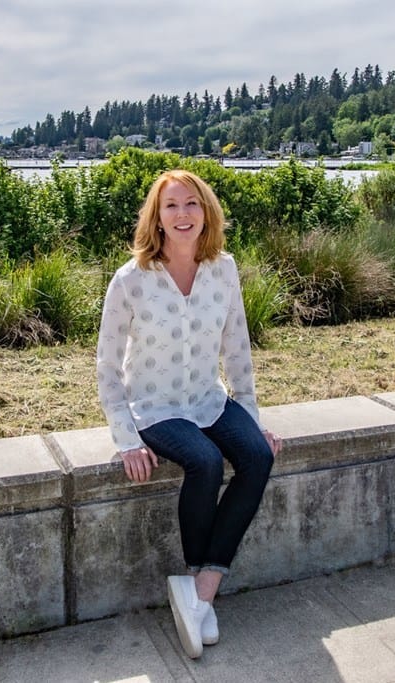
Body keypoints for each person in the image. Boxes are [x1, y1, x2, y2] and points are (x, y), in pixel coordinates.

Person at [96, 169, 281, 659]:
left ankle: (202, 589)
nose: (183, 215)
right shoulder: (131, 279)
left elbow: (238, 349)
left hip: (208, 398)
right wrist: (126, 438)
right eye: (171, 206)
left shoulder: (224, 268)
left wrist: (253, 417)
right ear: (156, 217)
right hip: (154, 408)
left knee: (258, 456)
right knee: (203, 461)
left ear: (207, 212)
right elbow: (107, 365)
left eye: (192, 204)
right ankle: (200, 587)